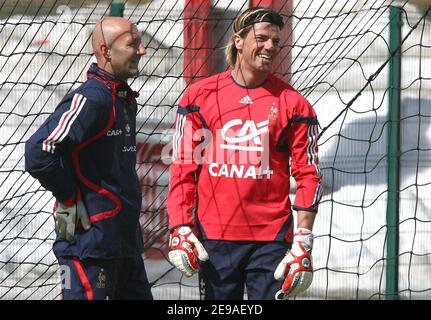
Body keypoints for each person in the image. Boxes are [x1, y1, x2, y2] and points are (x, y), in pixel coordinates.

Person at [166, 7, 322, 300]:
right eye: (262, 38)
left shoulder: (295, 105)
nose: (270, 47)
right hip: (215, 239)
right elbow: (183, 169)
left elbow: (308, 175)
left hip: (271, 241)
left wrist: (303, 240)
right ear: (238, 40)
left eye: (276, 41)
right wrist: (180, 226)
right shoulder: (198, 97)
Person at [25, 17, 153, 300]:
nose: (142, 50)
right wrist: (69, 196)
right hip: (88, 248)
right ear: (106, 51)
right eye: (133, 44)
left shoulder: (121, 96)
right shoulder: (92, 98)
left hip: (124, 247)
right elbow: (38, 151)